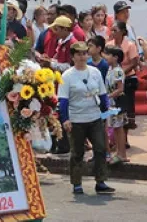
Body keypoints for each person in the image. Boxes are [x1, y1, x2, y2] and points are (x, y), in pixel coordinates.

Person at [57, 42, 113, 195]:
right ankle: (76, 183)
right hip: (76, 119)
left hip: (94, 117)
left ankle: (100, 181)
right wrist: (65, 119)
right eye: (79, 54)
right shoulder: (67, 76)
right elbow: (63, 100)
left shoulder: (94, 72)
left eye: (84, 53)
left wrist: (106, 111)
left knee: (100, 148)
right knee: (77, 152)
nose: (82, 57)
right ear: (73, 56)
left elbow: (102, 94)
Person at [103, 47, 128, 164]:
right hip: (111, 103)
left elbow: (120, 88)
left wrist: (107, 96)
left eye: (108, 55)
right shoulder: (110, 69)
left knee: (119, 128)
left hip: (116, 103)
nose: (105, 57)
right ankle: (118, 152)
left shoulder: (118, 71)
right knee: (115, 127)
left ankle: (122, 154)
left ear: (115, 57)